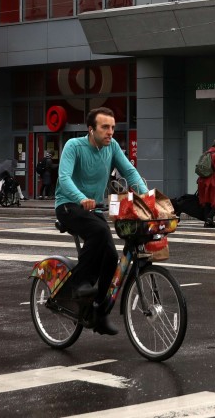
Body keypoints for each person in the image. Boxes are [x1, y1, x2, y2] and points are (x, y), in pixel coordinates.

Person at [56, 107, 147, 335]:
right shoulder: (74, 146)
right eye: (105, 127)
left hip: (93, 210)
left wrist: (147, 198)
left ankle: (99, 312)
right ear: (91, 129)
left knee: (111, 258)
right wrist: (81, 198)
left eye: (113, 128)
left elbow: (130, 171)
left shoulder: (112, 147)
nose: (110, 132)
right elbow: (64, 177)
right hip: (69, 205)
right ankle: (80, 283)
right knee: (99, 231)